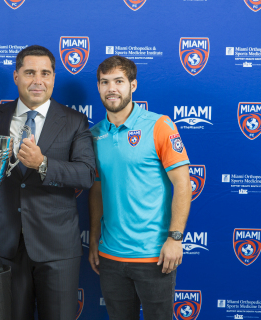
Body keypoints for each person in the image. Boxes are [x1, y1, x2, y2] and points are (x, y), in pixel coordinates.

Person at [0, 45, 96, 320]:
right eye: (29, 73)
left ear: (53, 78)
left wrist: (44, 164)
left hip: (57, 249)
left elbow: (86, 173)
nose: (37, 80)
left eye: (45, 73)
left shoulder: (74, 121)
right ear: (16, 77)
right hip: (5, 246)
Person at [88, 55, 192, 320]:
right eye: (105, 82)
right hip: (110, 256)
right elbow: (97, 189)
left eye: (119, 81)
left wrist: (175, 238)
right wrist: (94, 239)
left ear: (133, 85)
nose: (111, 88)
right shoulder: (94, 134)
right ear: (98, 87)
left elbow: (183, 183)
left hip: (154, 255)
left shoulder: (159, 125)